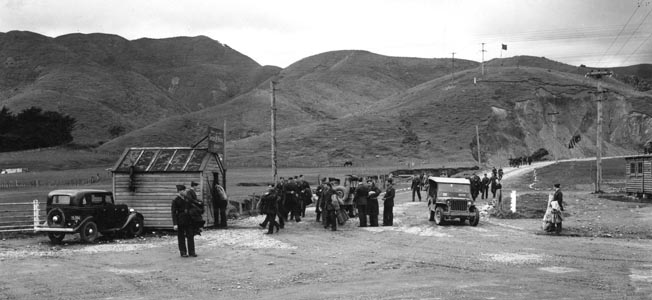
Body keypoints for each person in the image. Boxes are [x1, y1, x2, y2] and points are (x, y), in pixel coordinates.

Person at [171, 185, 196, 257]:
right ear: (180, 191)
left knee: (190, 235)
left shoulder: (187, 199)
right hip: (180, 220)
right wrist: (175, 224)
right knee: (181, 236)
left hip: (188, 219)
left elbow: (192, 206)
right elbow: (173, 212)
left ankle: (192, 252)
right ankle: (183, 252)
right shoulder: (175, 200)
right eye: (184, 190)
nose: (185, 192)